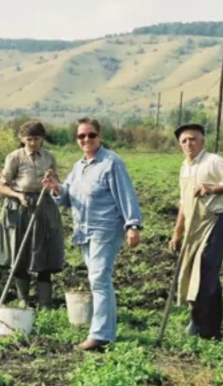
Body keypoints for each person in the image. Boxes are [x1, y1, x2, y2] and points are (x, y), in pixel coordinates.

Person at [41, 117, 142, 351]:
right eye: (81, 136)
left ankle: (100, 335)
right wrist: (56, 188)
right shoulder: (79, 167)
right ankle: (104, 330)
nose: (86, 139)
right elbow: (67, 198)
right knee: (97, 279)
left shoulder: (111, 162)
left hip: (105, 229)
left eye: (91, 135)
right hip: (84, 230)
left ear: (100, 136)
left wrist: (133, 225)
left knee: (98, 279)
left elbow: (126, 194)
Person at [168, 123, 223, 340]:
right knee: (199, 273)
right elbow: (184, 202)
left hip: (212, 223)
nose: (188, 144)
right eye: (184, 141)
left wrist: (212, 188)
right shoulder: (185, 167)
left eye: (192, 139)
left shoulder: (213, 161)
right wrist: (177, 233)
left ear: (202, 141)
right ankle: (209, 326)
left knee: (204, 274)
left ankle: (200, 325)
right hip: (193, 227)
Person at [0, 120, 64, 309]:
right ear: (22, 139)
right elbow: (1, 185)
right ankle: (23, 299)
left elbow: (57, 183)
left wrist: (52, 180)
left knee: (44, 252)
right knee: (20, 252)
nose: (33, 143)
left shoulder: (49, 156)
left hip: (44, 206)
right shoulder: (15, 157)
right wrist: (17, 195)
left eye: (37, 139)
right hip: (20, 208)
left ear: (42, 139)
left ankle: (45, 303)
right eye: (29, 139)